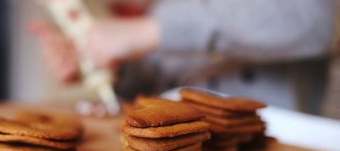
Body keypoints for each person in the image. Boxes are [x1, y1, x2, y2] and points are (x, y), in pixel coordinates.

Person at [30, 0, 337, 115]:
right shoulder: (158, 7)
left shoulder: (158, 18)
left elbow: (317, 20)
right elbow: (162, 82)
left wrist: (151, 31)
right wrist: (113, 70)